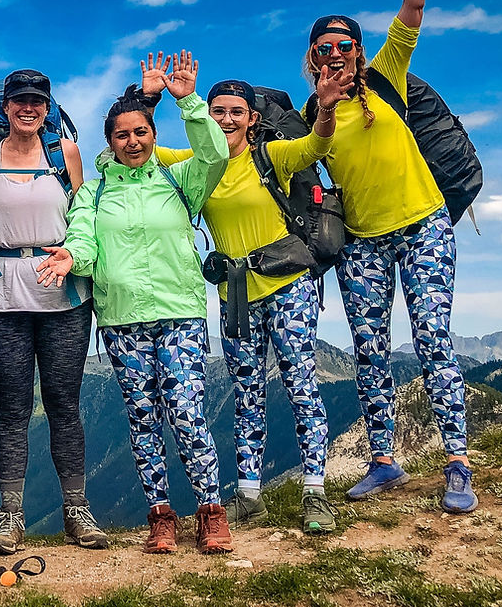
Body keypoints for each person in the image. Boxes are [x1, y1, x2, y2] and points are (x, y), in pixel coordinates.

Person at [304, 0, 476, 514]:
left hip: (423, 223)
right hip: (362, 242)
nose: (336, 56)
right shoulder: (310, 111)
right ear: (313, 58)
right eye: (324, 49)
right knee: (369, 345)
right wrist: (321, 113)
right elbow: (310, 165)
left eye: (345, 45)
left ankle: (457, 460)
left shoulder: (385, 76)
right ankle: (384, 461)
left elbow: (413, 4)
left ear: (357, 49)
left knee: (434, 340)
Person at [38, 53, 233, 554]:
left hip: (178, 313)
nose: (132, 142)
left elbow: (215, 155)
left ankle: (211, 512)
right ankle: (161, 515)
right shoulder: (95, 192)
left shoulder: (179, 180)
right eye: (122, 135)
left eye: (140, 132)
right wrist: (69, 257)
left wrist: (189, 100)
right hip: (122, 320)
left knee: (186, 412)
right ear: (111, 142)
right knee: (142, 418)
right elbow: (84, 241)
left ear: (152, 133)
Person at [147, 61, 353, 534]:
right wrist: (166, 97)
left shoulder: (272, 156)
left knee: (301, 385)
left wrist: (324, 110)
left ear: (252, 118)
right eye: (217, 111)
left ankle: (315, 494)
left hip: (287, 285)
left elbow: (316, 147)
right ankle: (249, 495)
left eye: (235, 112)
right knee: (246, 393)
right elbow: (140, 148)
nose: (224, 119)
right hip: (235, 293)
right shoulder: (198, 163)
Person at [0, 70, 106, 553]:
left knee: (65, 403)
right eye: (19, 100)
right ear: (5, 107)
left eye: (37, 102)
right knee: (13, 408)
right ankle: (10, 517)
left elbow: (82, 215)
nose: (28, 109)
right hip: (4, 297)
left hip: (65, 293)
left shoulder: (66, 155)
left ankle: (77, 511)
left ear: (48, 109)